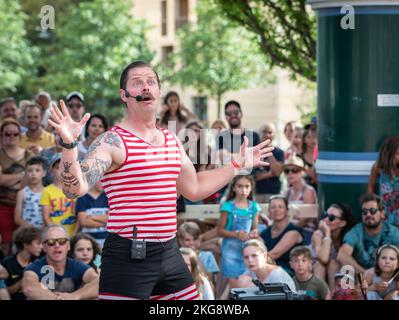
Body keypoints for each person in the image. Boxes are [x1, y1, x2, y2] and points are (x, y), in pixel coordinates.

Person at [47, 60, 273, 300]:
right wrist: (69, 145)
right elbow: (74, 189)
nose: (145, 87)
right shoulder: (112, 141)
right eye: (137, 83)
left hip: (168, 252)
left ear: (158, 92)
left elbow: (194, 188)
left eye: (151, 82)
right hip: (128, 256)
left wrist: (237, 165)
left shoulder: (171, 140)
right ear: (124, 95)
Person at [21, 225, 99, 300]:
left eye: (62, 241)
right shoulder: (35, 267)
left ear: (68, 246)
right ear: (44, 247)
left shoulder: (77, 266)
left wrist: (75, 296)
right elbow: (29, 288)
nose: (57, 245)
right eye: (51, 242)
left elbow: (100, 282)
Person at [217, 175, 261, 289]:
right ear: (233, 188)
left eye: (247, 186)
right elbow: (220, 231)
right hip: (230, 251)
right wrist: (236, 234)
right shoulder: (227, 206)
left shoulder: (254, 207)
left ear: (251, 188)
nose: (244, 190)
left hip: (247, 251)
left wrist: (254, 233)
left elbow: (254, 228)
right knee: (234, 286)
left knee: (247, 284)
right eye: (240, 186)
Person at [337, 193, 399, 273]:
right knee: (334, 263)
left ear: (382, 214)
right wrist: (366, 274)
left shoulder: (393, 233)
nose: (368, 214)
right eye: (364, 212)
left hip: (387, 277)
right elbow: (342, 256)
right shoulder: (356, 231)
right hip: (362, 279)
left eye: (372, 211)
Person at [0, 118, 33, 254]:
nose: (11, 137)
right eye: (7, 134)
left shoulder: (28, 155)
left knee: (23, 244)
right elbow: (0, 180)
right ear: (1, 135)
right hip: (3, 206)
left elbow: (31, 181)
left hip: (25, 207)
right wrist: (21, 175)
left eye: (15, 134)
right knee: (5, 243)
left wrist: (8, 179)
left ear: (20, 135)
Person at [311, 203, 355, 293]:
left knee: (333, 263)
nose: (326, 219)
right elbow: (323, 259)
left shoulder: (347, 238)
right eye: (325, 215)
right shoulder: (318, 234)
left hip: (335, 273)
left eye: (331, 217)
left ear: (342, 223)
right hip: (314, 271)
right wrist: (327, 233)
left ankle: (335, 295)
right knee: (320, 266)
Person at [260, 195, 303, 275]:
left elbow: (274, 254)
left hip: (287, 272)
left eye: (280, 207)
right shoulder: (265, 232)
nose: (277, 210)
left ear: (287, 210)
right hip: (267, 270)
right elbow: (257, 249)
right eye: (273, 207)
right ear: (269, 211)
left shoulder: (293, 232)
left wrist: (253, 259)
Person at [216, 100, 261, 169]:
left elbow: (258, 160)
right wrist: (246, 156)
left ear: (241, 114)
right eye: (229, 113)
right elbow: (221, 157)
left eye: (236, 112)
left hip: (248, 175)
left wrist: (230, 156)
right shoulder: (221, 136)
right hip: (227, 175)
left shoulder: (254, 136)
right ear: (225, 117)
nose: (233, 115)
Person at [40, 156, 78, 237]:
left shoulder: (76, 190)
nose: (61, 171)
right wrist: (55, 233)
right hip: (55, 235)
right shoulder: (47, 191)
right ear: (51, 171)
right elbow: (46, 217)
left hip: (74, 234)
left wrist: (75, 233)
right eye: (57, 168)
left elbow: (80, 215)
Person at [2, 226, 42, 300]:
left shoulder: (39, 262)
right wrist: (25, 279)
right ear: (26, 245)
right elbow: (5, 292)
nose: (41, 246)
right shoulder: (7, 263)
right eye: (38, 243)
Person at [368, 136, 399, 227]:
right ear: (389, 153)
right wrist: (372, 206)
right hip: (385, 211)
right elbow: (370, 187)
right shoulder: (378, 167)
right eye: (397, 153)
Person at [283, 154, 317, 236]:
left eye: (294, 170)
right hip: (288, 231)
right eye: (287, 171)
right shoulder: (287, 192)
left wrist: (288, 230)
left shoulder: (308, 190)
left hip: (305, 231)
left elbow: (305, 218)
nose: (290, 173)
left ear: (302, 173)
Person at [254, 123, 284, 203]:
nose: (267, 135)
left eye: (270, 132)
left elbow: (277, 172)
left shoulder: (279, 153)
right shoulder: (253, 152)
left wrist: (268, 150)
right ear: (259, 133)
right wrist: (270, 174)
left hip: (274, 192)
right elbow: (253, 176)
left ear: (274, 135)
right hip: (256, 193)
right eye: (264, 131)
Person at [14, 157, 46, 228]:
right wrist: (31, 228)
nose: (33, 173)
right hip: (27, 232)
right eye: (30, 170)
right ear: (26, 173)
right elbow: (17, 219)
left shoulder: (47, 192)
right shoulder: (21, 193)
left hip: (44, 231)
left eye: (37, 170)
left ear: (44, 173)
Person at [76, 182, 109, 248]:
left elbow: (111, 218)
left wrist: (92, 217)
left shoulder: (108, 197)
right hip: (88, 242)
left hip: (106, 241)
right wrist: (104, 222)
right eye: (101, 180)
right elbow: (84, 222)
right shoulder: (82, 198)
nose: (103, 183)